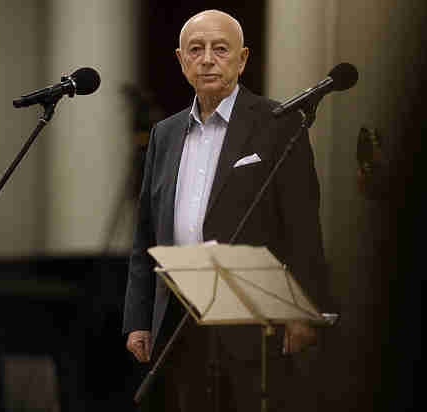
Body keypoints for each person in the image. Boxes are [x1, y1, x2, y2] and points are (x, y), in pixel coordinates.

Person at [123, 9, 329, 411]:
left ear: (243, 58)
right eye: (195, 50)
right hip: (179, 318)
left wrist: (303, 310)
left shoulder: (278, 123)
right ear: (181, 60)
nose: (207, 60)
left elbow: (303, 227)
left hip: (253, 319)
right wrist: (137, 319)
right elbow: (145, 234)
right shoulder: (165, 133)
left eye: (220, 49)